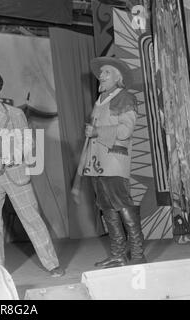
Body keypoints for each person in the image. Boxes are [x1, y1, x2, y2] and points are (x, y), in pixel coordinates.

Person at [0, 70, 64, 277]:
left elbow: (27, 142)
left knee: (31, 218)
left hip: (14, 173)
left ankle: (52, 264)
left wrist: (8, 159)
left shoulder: (14, 113)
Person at [83, 56, 146, 268]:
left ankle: (137, 253)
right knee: (107, 209)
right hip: (96, 164)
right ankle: (118, 254)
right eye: (101, 73)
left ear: (118, 77)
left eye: (106, 72)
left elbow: (126, 131)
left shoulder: (124, 97)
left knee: (123, 205)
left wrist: (97, 131)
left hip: (114, 162)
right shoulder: (99, 101)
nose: (101, 76)